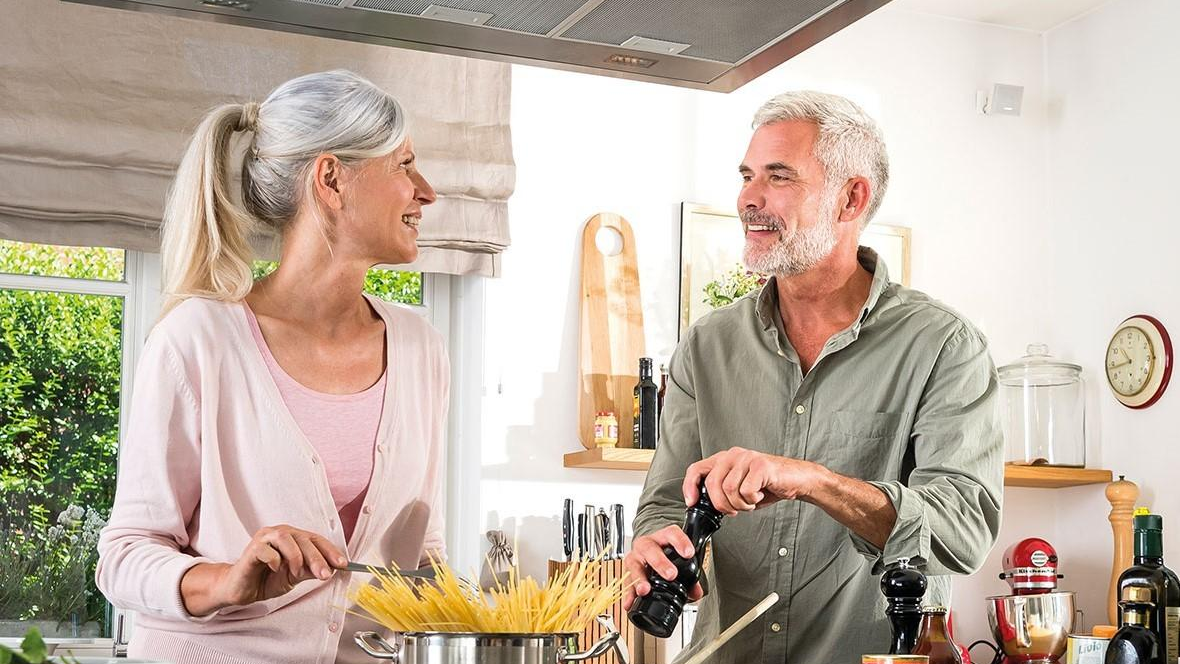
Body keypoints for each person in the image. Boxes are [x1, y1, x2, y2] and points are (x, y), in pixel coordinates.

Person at [624, 91, 1003, 663]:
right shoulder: (706, 345)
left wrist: (813, 481)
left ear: (851, 199)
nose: (749, 199)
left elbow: (962, 528)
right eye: (747, 176)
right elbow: (662, 505)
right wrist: (654, 543)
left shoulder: (944, 346)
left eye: (778, 177)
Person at [96, 70, 447, 664]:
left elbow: (420, 554)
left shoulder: (420, 347)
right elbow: (124, 555)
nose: (426, 190)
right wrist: (226, 579)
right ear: (332, 179)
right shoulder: (198, 341)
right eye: (404, 164)